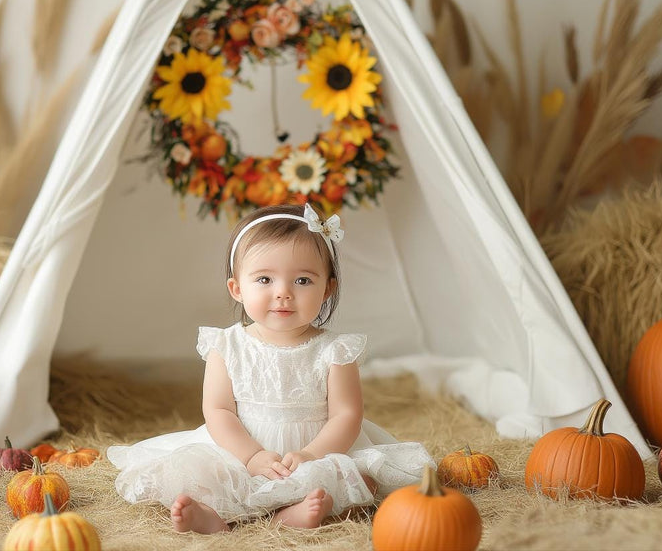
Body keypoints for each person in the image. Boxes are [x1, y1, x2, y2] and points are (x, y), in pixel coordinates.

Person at [107, 203, 433, 533]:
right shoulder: (227, 346)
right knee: (204, 475)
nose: (283, 294)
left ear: (327, 289)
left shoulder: (336, 350)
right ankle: (212, 516)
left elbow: (347, 415)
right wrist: (250, 457)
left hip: (314, 449)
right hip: (241, 447)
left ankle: (291, 516)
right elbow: (218, 410)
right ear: (237, 289)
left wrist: (310, 454)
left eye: (303, 280)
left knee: (356, 481)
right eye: (264, 279)